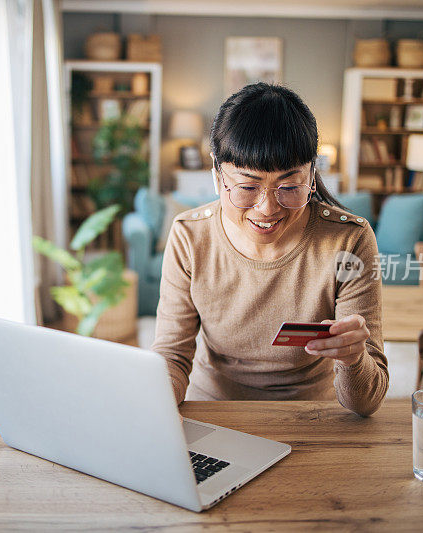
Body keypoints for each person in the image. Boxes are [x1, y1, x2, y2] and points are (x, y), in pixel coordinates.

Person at [151, 82, 387, 417]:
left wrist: (353, 358)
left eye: (289, 186)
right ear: (217, 176)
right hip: (216, 412)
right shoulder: (190, 235)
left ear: (313, 175)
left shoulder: (349, 240)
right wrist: (150, 393)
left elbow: (367, 403)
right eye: (247, 187)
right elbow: (172, 357)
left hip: (311, 417)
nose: (267, 208)